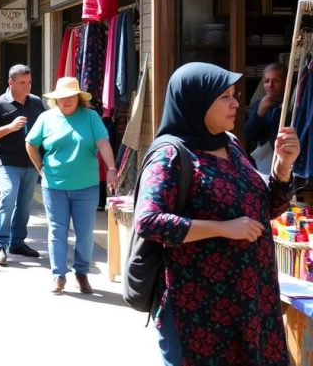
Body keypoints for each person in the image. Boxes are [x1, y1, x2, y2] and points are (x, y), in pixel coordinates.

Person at [134, 62, 298, 365]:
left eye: (234, 95)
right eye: (224, 96)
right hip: (199, 310)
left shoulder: (232, 144)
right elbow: (148, 221)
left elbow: (265, 210)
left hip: (251, 302)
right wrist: (222, 228)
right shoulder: (171, 154)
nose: (236, 103)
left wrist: (284, 168)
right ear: (195, 101)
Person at [25, 77, 116, 294]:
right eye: (62, 97)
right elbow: (31, 143)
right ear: (56, 99)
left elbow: (103, 143)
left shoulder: (91, 117)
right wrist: (40, 168)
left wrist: (111, 168)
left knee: (85, 233)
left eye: (70, 96)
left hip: (87, 185)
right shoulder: (46, 118)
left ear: (78, 98)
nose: (66, 100)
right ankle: (59, 275)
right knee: (57, 231)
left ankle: (82, 272)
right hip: (54, 185)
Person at [0, 64, 46, 266]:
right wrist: (9, 128)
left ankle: (17, 242)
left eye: (29, 82)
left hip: (30, 163)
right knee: (8, 196)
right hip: (7, 161)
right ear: (10, 82)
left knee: (24, 205)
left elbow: (47, 129)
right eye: (22, 83)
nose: (27, 86)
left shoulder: (36, 103)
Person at [244, 62, 285, 178]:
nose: (270, 85)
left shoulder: (292, 105)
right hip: (262, 165)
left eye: (275, 81)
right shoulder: (259, 104)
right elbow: (248, 135)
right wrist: (259, 114)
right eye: (267, 81)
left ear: (285, 82)